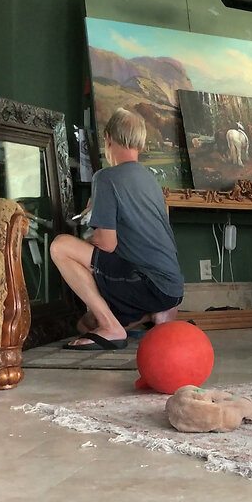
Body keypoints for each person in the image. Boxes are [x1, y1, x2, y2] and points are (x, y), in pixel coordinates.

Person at [50, 108, 184, 350]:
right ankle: (156, 313)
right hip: (172, 288)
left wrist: (86, 238)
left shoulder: (106, 178)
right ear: (140, 144)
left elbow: (106, 244)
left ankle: (112, 327)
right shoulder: (151, 180)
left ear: (108, 138)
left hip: (147, 283)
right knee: (86, 325)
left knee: (61, 246)